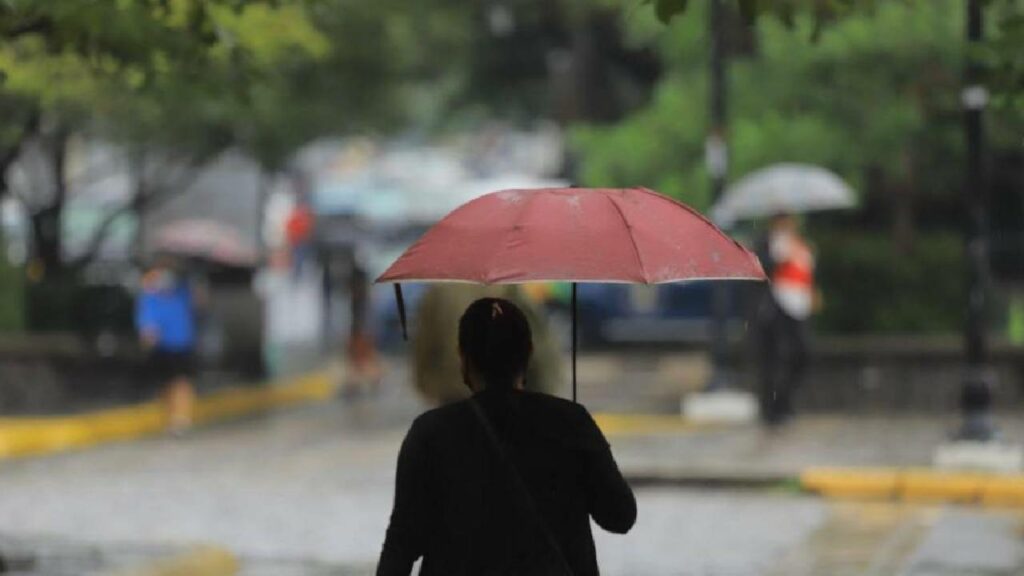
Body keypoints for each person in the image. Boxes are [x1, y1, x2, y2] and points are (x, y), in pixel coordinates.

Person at [378, 298, 636, 576]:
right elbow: (619, 517)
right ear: (529, 353)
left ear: (463, 357)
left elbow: (402, 545)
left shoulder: (430, 433)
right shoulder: (570, 422)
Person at [413, 284, 563, 405]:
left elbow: (424, 348)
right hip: (507, 396)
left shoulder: (439, 292)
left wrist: (430, 386)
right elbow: (539, 348)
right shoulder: (509, 289)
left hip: (456, 394)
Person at [755, 213, 817, 425]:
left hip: (798, 306)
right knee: (775, 359)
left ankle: (785, 401)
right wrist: (777, 257)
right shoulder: (766, 242)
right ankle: (772, 409)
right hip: (775, 309)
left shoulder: (799, 243)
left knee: (801, 353)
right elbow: (760, 269)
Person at [136, 259, 198, 435]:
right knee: (166, 384)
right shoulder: (150, 297)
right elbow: (147, 329)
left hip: (182, 346)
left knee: (181, 382)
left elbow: (199, 302)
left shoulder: (182, 292)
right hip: (162, 348)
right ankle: (172, 418)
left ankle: (182, 419)